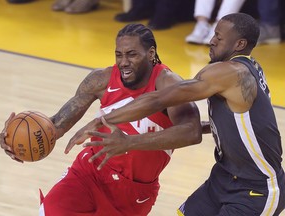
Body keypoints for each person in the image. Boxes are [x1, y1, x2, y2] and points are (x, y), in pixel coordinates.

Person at [68, 13, 285, 215]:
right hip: (225, 176)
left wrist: (101, 121)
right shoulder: (251, 67)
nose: (211, 41)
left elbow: (158, 98)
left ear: (239, 44)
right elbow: (243, 122)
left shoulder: (228, 72)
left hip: (257, 187)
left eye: (218, 37)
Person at [0, 24, 208, 215]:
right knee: (50, 210)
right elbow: (55, 126)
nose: (123, 62)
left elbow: (192, 132)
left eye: (131, 54)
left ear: (151, 53)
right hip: (90, 172)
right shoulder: (101, 80)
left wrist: (129, 143)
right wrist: (15, 142)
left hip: (135, 191)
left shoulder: (168, 84)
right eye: (119, 54)